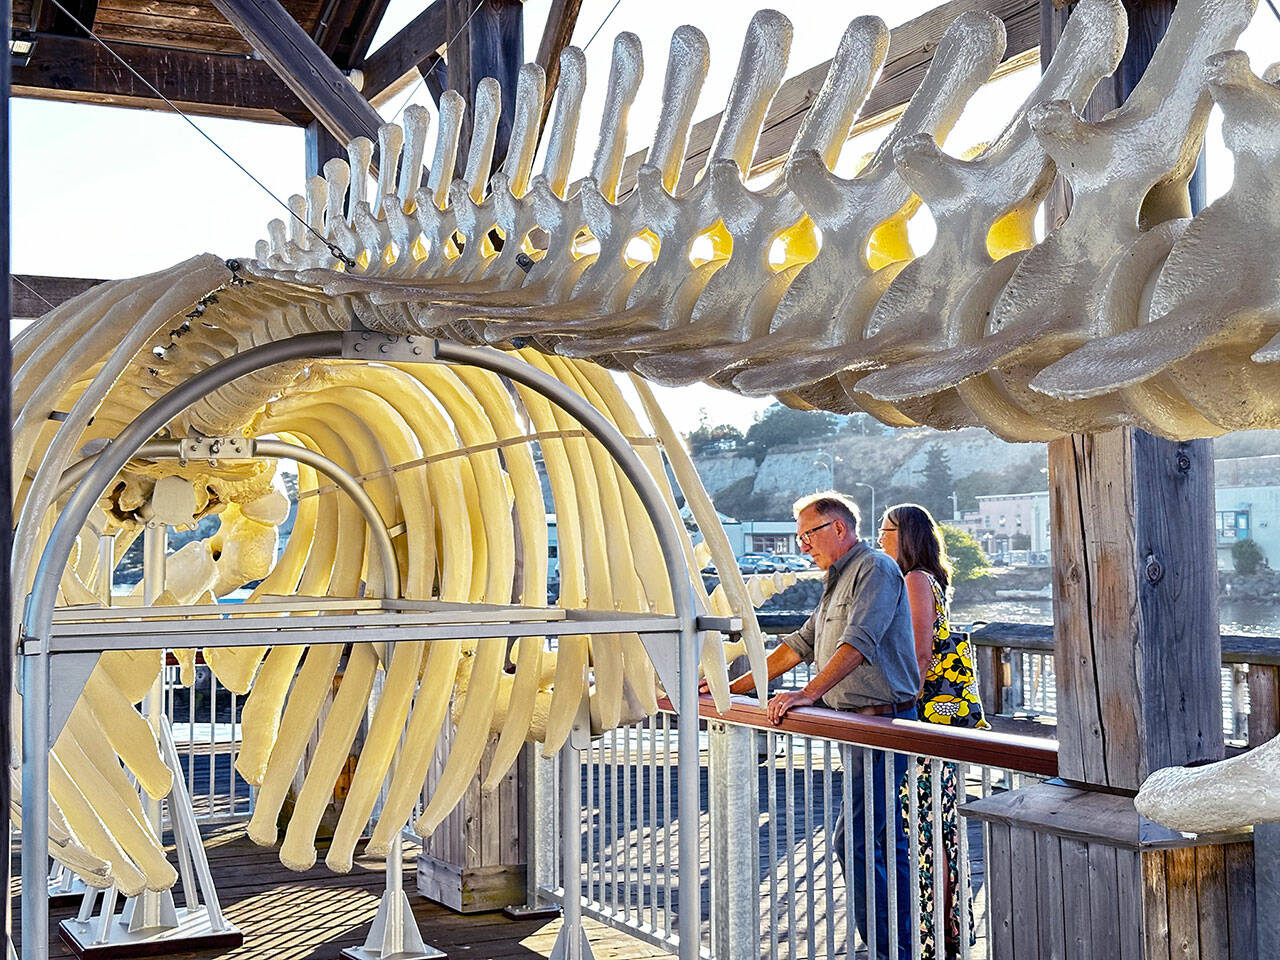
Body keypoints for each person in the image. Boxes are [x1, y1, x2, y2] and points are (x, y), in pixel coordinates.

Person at [720, 491, 919, 960]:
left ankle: (896, 950)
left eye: (808, 534)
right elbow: (798, 646)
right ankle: (898, 946)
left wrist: (808, 694)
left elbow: (858, 643)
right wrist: (736, 689)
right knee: (876, 839)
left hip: (881, 725)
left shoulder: (875, 569)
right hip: (854, 727)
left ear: (837, 528)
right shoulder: (838, 577)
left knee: (857, 840)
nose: (801, 545)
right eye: (799, 536)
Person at [878, 504, 987, 960]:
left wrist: (902, 709)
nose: (879, 537)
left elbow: (920, 654)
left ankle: (934, 933)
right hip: (937, 717)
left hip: (924, 718)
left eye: (885, 530)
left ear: (906, 536)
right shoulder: (929, 579)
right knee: (933, 825)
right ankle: (941, 931)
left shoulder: (915, 580)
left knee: (923, 825)